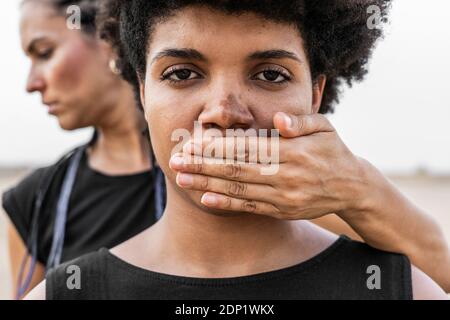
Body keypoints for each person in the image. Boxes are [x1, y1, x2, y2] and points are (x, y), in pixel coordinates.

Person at [26, 0, 447, 299]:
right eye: (182, 73)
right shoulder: (65, 293)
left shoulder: (402, 288)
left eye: (269, 74)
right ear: (142, 88)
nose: (224, 112)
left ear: (315, 95)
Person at [2, 0, 165, 298]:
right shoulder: (35, 201)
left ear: (108, 39)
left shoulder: (207, 177)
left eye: (44, 53)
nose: (31, 83)